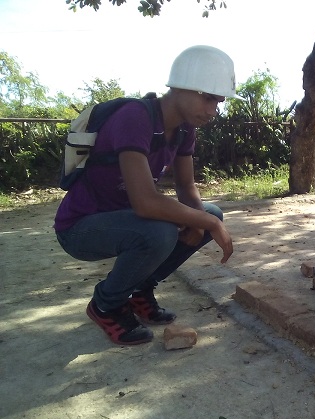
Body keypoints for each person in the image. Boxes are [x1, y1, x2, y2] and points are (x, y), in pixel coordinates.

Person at [54, 45, 243, 346]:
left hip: (125, 222)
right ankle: (106, 304)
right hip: (81, 228)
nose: (212, 111)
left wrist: (205, 220)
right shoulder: (135, 118)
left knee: (210, 214)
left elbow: (186, 189)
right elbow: (145, 202)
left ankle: (140, 290)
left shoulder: (184, 129)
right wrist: (208, 223)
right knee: (161, 230)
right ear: (180, 87)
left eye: (218, 102)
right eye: (208, 98)